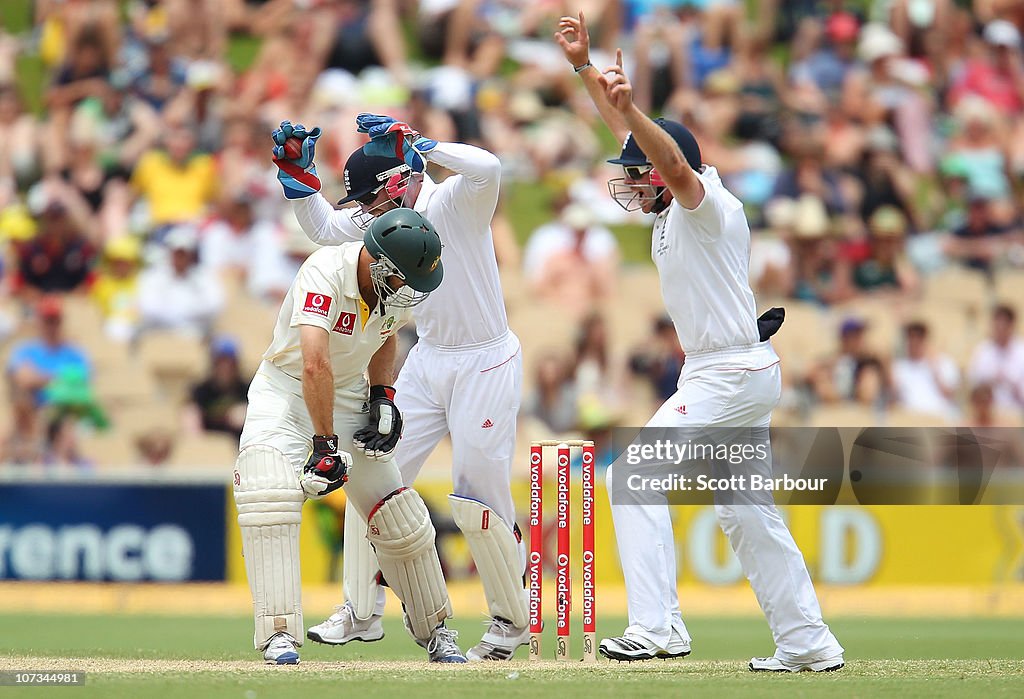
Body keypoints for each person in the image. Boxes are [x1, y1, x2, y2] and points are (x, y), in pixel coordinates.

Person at [555, 11, 844, 671]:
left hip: (729, 373)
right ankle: (808, 642)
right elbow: (636, 139)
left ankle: (657, 627)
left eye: (637, 173)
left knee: (632, 476)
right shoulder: (667, 200)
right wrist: (585, 70)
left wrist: (638, 117)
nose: (630, 183)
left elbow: (674, 161)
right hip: (726, 371)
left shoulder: (705, 204)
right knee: (747, 513)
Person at [271, 112, 527, 661]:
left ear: (400, 181)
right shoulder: (380, 219)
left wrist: (424, 143)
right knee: (373, 474)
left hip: (485, 358)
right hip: (426, 358)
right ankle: (361, 612)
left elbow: (488, 166)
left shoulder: (455, 200)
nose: (368, 216)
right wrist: (298, 185)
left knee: (477, 497)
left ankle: (509, 622)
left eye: (375, 201)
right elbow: (321, 229)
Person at [232, 207, 466, 665]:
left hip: (347, 392)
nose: (407, 292)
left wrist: (382, 395)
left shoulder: (393, 287)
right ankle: (278, 633)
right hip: (286, 388)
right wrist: (324, 447)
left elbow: (385, 336)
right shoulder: (324, 273)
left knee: (400, 516)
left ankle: (437, 631)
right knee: (268, 491)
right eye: (402, 281)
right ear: (379, 263)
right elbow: (314, 365)